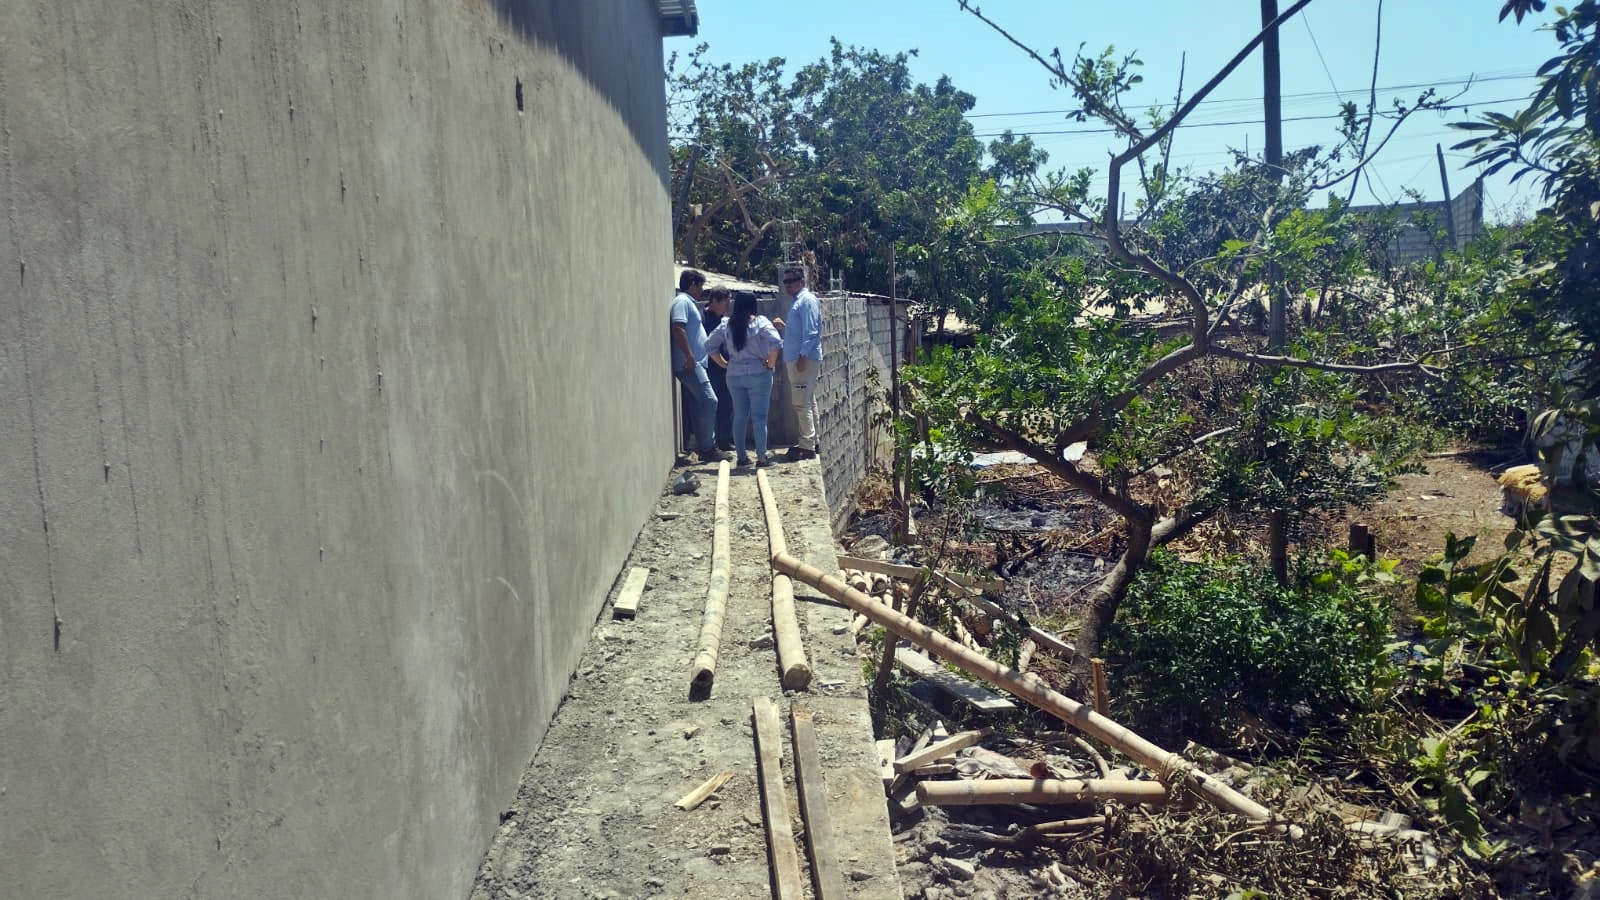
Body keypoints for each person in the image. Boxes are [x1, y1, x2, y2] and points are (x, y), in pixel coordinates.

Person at [705, 291, 783, 468]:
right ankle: (762, 458)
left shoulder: (726, 324)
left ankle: (741, 458)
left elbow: (709, 345)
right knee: (759, 417)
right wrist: (770, 364)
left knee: (739, 416)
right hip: (759, 373)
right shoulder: (760, 322)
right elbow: (776, 342)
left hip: (734, 374)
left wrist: (724, 364)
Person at [669, 270, 731, 463]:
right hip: (690, 364)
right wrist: (689, 356)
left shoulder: (688, 303)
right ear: (693, 284)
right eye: (700, 285)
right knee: (710, 401)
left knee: (698, 405)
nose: (702, 290)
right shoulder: (682, 302)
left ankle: (703, 446)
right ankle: (708, 447)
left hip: (694, 363)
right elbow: (678, 327)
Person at [779, 266, 822, 461]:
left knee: (800, 402)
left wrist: (803, 357)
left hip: (802, 359)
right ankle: (813, 441)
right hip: (799, 357)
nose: (788, 285)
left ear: (801, 281)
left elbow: (811, 331)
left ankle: (807, 446)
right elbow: (800, 331)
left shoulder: (806, 300)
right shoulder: (798, 301)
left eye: (792, 281)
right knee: (807, 400)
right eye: (785, 281)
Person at [700, 288, 735, 451]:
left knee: (726, 405)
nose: (727, 305)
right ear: (714, 301)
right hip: (708, 368)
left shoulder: (725, 320)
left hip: (725, 367)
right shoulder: (702, 318)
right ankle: (709, 442)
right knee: (710, 406)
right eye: (724, 302)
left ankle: (724, 439)